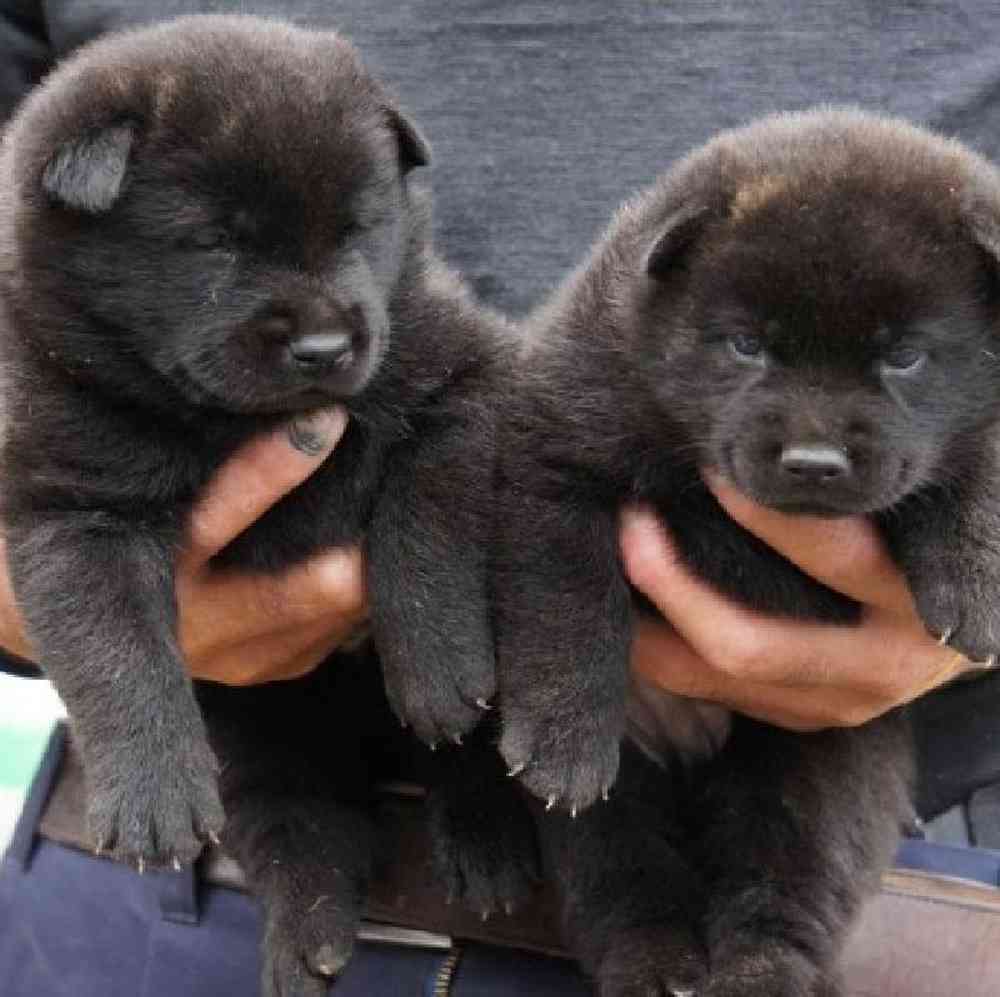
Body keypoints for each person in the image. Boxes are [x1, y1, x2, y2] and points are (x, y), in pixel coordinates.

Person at [1, 2, 999, 995]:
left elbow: (466, 396)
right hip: (173, 869)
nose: (321, 320)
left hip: (905, 876)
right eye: (219, 252)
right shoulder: (92, 214)